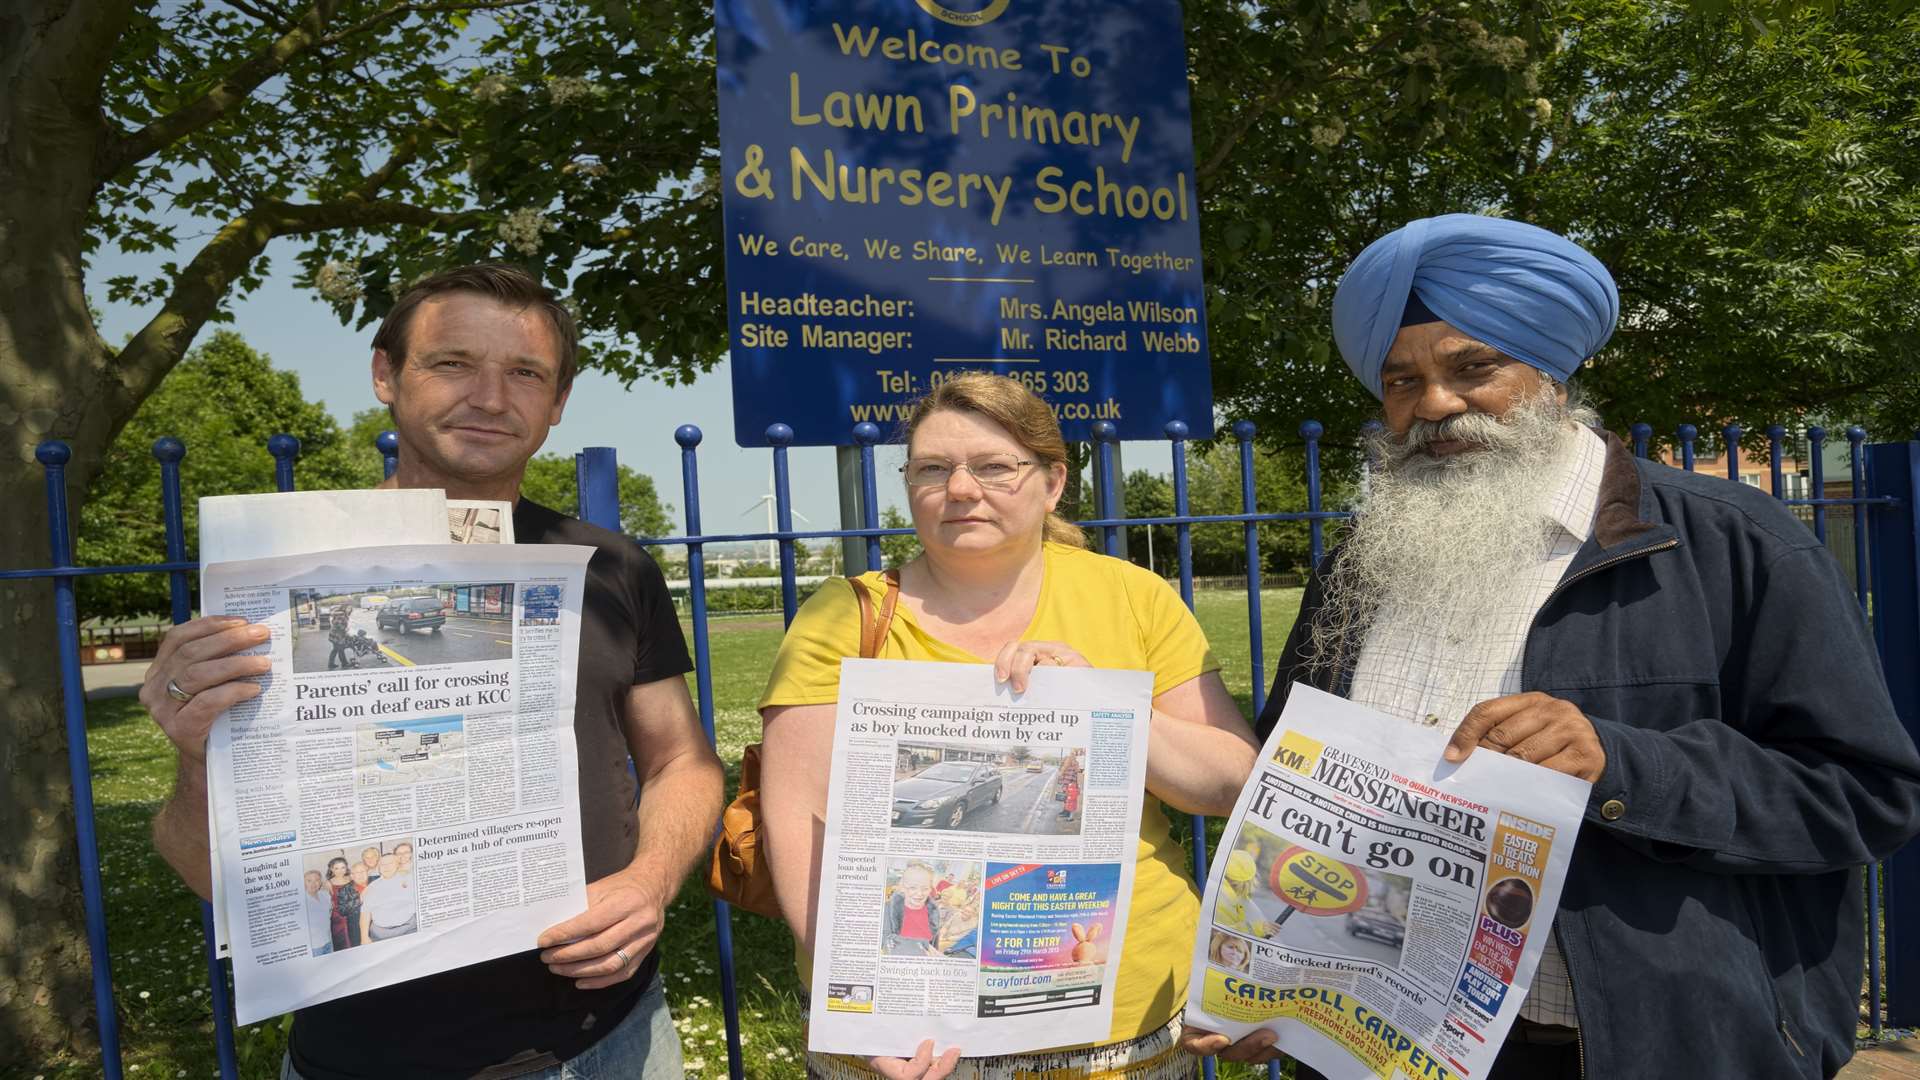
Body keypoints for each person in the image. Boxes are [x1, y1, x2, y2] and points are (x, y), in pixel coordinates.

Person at [1182, 213, 1920, 1079]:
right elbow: (1296, 788)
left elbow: (1866, 795)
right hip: (1383, 1047)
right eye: (1400, 381)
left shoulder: (1734, 543)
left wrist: (1619, 764)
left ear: (1552, 371)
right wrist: (1268, 983)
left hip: (1655, 1047)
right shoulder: (1362, 565)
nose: (1435, 406)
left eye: (1473, 367)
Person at [140, 264, 724, 1078]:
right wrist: (198, 758)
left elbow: (683, 762)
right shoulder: (280, 581)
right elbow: (207, 874)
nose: (490, 397)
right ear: (386, 374)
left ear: (555, 408)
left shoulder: (612, 569)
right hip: (367, 1055)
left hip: (608, 1035)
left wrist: (651, 882)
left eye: (526, 373)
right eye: (453, 362)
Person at [758, 373, 1259, 1079]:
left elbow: (1231, 782)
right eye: (932, 468)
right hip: (911, 1038)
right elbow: (797, 824)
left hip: (1124, 1028)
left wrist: (1108, 709)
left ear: (1053, 482)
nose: (960, 489)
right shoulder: (843, 618)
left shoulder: (1132, 597)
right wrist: (865, 1011)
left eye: (994, 466)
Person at [882, 863, 943, 958]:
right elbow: (885, 940)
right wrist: (922, 945)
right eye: (913, 888)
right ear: (902, 887)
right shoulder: (888, 909)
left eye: (925, 888)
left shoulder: (933, 911)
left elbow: (934, 945)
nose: (919, 894)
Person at [360, 852, 417, 942]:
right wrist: (364, 937)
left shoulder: (411, 879)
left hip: (409, 929)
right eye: (383, 864)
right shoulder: (372, 887)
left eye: (390, 863)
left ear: (397, 864)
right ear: (379, 867)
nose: (386, 867)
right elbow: (365, 913)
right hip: (381, 934)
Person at [324, 857, 353, 952]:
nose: (340, 871)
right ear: (331, 869)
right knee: (342, 943)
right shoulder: (328, 883)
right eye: (336, 868)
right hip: (338, 917)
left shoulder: (351, 878)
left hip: (352, 914)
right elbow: (326, 902)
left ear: (346, 868)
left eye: (343, 867)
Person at [303, 870, 334, 957]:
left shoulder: (325, 895)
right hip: (314, 947)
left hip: (328, 941)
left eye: (316, 880)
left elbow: (330, 913)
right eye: (309, 881)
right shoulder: (301, 900)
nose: (313, 884)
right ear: (304, 882)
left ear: (320, 882)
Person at [326, 604, 354, 670]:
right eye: (348, 608)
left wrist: (345, 630)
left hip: (335, 635)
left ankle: (331, 664)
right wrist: (345, 629)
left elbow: (335, 623)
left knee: (335, 650)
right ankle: (344, 664)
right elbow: (337, 624)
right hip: (337, 636)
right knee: (340, 649)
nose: (349, 610)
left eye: (350, 609)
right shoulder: (341, 614)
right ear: (344, 608)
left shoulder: (342, 614)